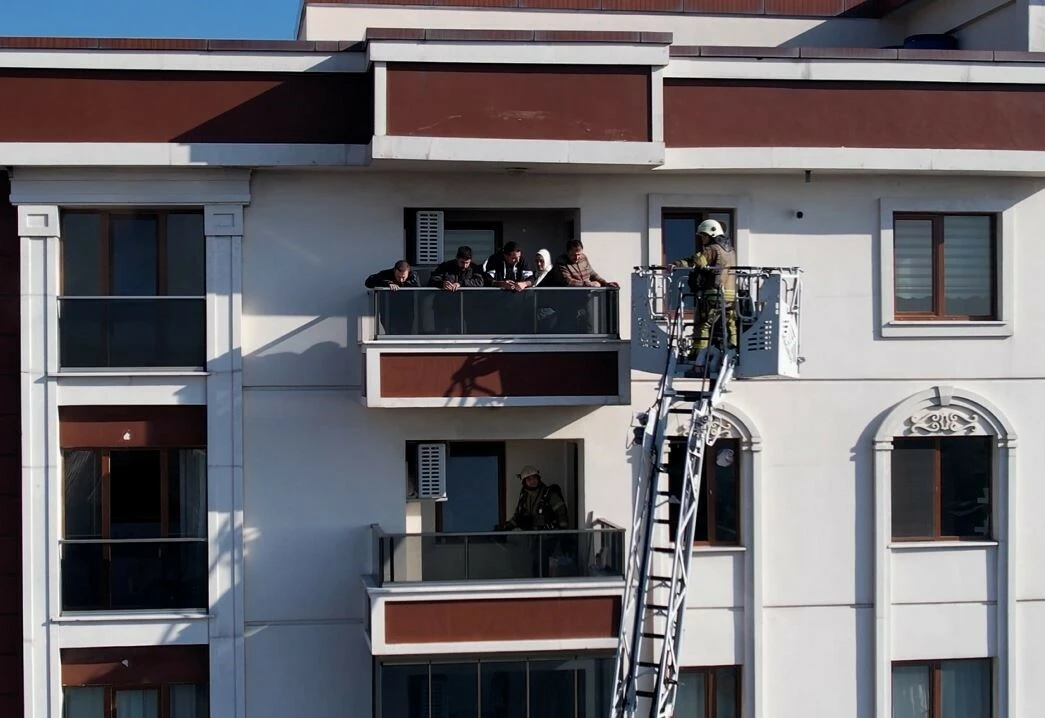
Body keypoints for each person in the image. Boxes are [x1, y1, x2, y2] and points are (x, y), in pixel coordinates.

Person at [673, 219, 737, 367]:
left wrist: (677, 265)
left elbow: (698, 262)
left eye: (703, 236)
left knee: (704, 324)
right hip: (730, 293)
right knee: (730, 323)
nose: (702, 239)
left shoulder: (712, 249)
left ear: (711, 234)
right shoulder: (730, 250)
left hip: (712, 292)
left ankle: (698, 354)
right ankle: (733, 348)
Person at [500, 466, 573, 577]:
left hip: (550, 536)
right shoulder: (524, 497)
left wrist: (563, 533)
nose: (532, 481)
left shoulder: (549, 494)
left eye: (534, 478)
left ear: (539, 478)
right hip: (534, 537)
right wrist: (505, 527)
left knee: (542, 561)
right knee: (536, 562)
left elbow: (561, 512)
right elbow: (518, 517)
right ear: (524, 482)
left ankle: (542, 584)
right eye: (529, 479)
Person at [553, 239, 618, 333]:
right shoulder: (561, 262)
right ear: (567, 253)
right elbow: (568, 282)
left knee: (589, 324)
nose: (577, 257)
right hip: (569, 301)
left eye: (579, 254)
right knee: (569, 326)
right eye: (573, 255)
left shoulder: (583, 258)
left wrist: (605, 283)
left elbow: (592, 274)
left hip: (587, 298)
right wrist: (587, 284)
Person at [428, 246, 487, 333]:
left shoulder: (475, 269)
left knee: (468, 332)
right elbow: (432, 280)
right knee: (442, 332)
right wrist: (442, 283)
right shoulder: (445, 267)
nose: (465, 265)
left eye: (467, 263)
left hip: (467, 307)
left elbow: (480, 282)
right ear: (457, 258)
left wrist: (461, 284)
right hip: (444, 306)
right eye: (462, 262)